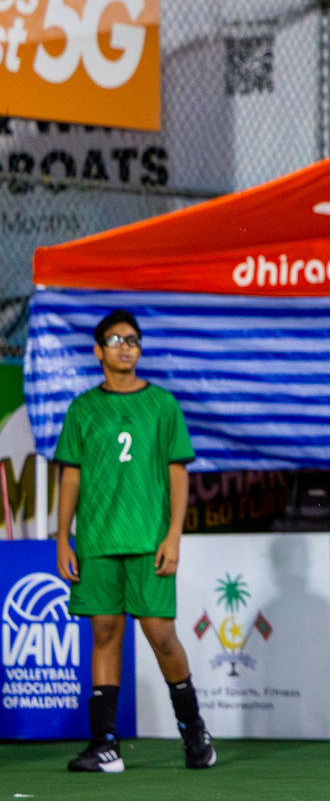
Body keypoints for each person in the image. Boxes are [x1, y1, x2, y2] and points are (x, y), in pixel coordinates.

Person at [55, 310, 215, 773]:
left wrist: (174, 535)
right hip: (98, 542)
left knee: (161, 636)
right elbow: (71, 476)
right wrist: (63, 537)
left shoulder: (162, 404)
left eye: (134, 340)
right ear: (98, 350)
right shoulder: (83, 408)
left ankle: (195, 734)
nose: (126, 346)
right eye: (116, 339)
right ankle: (105, 745)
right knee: (104, 634)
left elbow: (177, 472)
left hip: (149, 542)